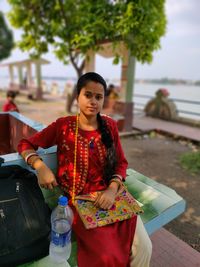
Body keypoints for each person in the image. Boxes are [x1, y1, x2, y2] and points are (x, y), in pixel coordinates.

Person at [17, 72, 152, 267]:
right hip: (81, 204)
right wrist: (40, 166)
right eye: (87, 95)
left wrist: (112, 190)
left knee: (144, 248)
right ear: (77, 96)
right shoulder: (63, 127)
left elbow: (121, 163)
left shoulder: (110, 126)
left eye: (99, 96)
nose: (93, 101)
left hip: (113, 198)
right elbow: (25, 143)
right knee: (107, 258)